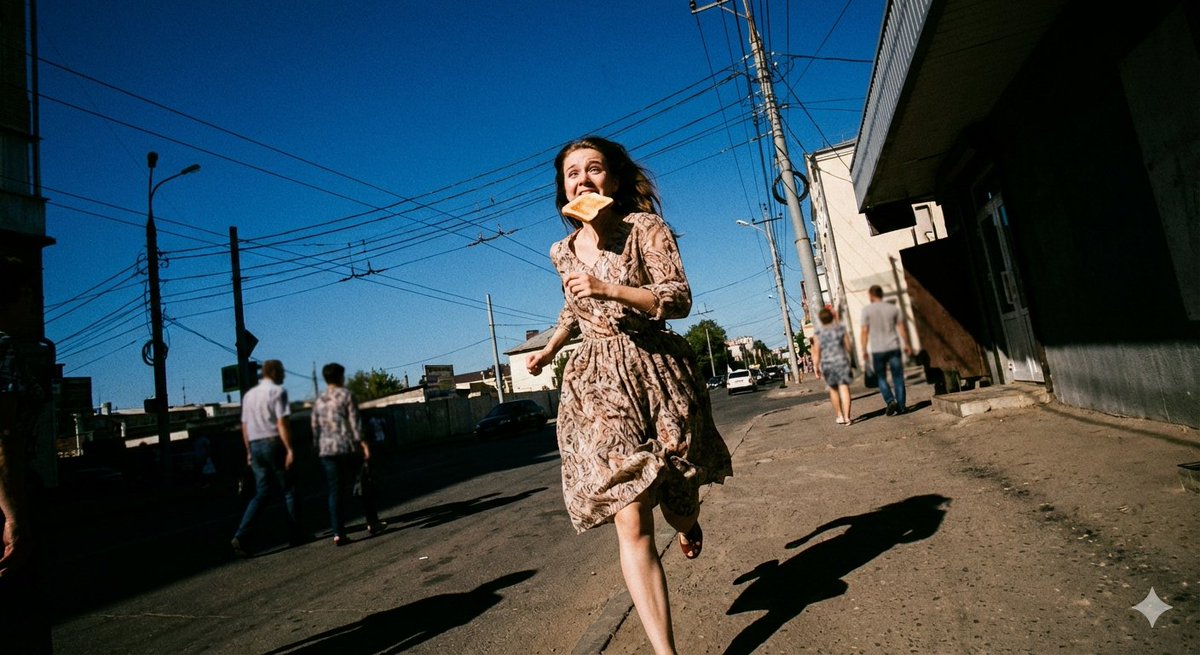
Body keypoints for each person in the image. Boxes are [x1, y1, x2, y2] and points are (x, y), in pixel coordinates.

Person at [526, 136, 733, 655]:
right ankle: (666, 652)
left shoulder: (645, 228)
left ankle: (688, 521)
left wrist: (610, 289)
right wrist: (550, 348)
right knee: (629, 509)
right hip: (597, 381)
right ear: (563, 190)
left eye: (594, 169)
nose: (583, 180)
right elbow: (573, 308)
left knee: (678, 492)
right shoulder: (562, 250)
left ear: (614, 180)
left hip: (656, 369)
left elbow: (677, 298)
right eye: (572, 174)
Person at [0, 255, 53, 653]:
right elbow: (3, 433)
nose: (35, 310)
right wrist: (14, 514)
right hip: (10, 494)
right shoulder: (2, 349)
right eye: (30, 300)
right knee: (22, 615)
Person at [232, 359, 304, 556]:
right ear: (273, 372)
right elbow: (282, 423)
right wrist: (289, 449)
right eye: (282, 372)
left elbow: (245, 426)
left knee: (261, 493)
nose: (284, 376)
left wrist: (248, 451)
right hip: (273, 443)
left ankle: (241, 536)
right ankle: (296, 534)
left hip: (255, 445)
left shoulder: (249, 396)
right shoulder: (277, 392)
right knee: (289, 489)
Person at [311, 362, 385, 546]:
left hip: (326, 450)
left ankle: (338, 533)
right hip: (347, 448)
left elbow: (315, 427)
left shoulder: (319, 400)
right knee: (363, 483)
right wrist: (364, 444)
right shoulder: (346, 395)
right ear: (340, 377)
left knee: (335, 492)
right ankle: (372, 522)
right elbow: (354, 422)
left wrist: (317, 447)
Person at [860, 284, 912, 415]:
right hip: (893, 347)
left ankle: (890, 401)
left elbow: (864, 332)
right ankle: (901, 406)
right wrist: (907, 344)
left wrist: (864, 350)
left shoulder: (867, 311)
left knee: (881, 378)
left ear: (871, 296)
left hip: (878, 350)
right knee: (898, 377)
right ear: (881, 295)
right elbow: (901, 328)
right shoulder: (892, 308)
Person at [812, 307, 854, 425]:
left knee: (834, 390)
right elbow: (849, 347)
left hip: (828, 365)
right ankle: (847, 417)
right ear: (831, 317)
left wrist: (816, 368)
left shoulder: (818, 334)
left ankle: (839, 416)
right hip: (842, 362)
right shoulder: (840, 329)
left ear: (821, 320)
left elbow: (816, 352)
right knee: (844, 388)